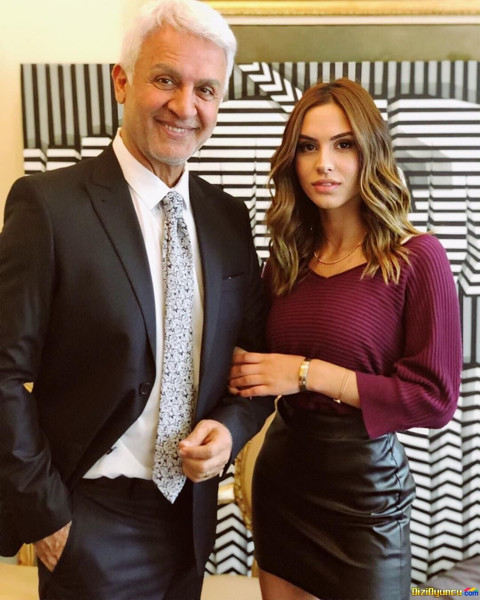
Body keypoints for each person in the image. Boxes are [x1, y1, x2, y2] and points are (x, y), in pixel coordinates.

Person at [0, 1, 273, 599]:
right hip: (88, 519)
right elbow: (4, 373)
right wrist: (46, 516)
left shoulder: (228, 220)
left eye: (206, 89)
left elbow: (250, 367)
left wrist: (229, 432)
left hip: (189, 522)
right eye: (166, 79)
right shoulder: (48, 207)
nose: (185, 106)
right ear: (122, 81)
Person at [229, 78, 463, 600]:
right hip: (283, 485)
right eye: (308, 147)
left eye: (343, 144)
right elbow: (255, 370)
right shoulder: (286, 262)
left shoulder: (417, 258)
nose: (324, 164)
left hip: (365, 499)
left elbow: (434, 399)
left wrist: (307, 373)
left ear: (370, 152)